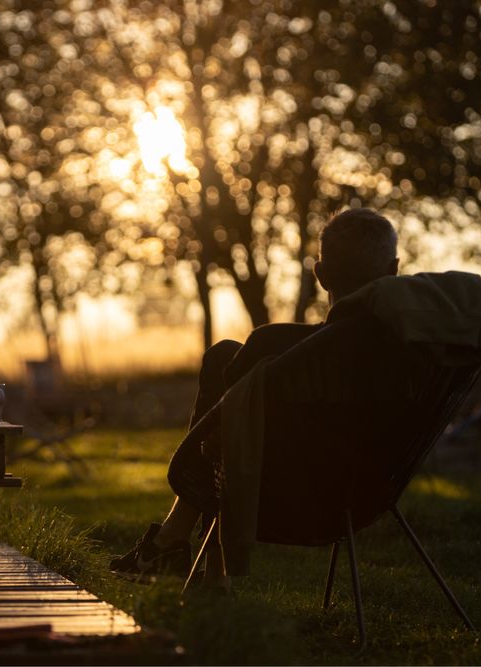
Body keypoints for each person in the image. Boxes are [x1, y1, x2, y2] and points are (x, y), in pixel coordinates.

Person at [109, 208, 400, 589]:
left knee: (223, 363)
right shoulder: (406, 352)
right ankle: (174, 544)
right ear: (394, 270)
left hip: (277, 491)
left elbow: (222, 439)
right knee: (227, 383)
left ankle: (175, 543)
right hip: (371, 490)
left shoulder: (273, 345)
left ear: (321, 274)